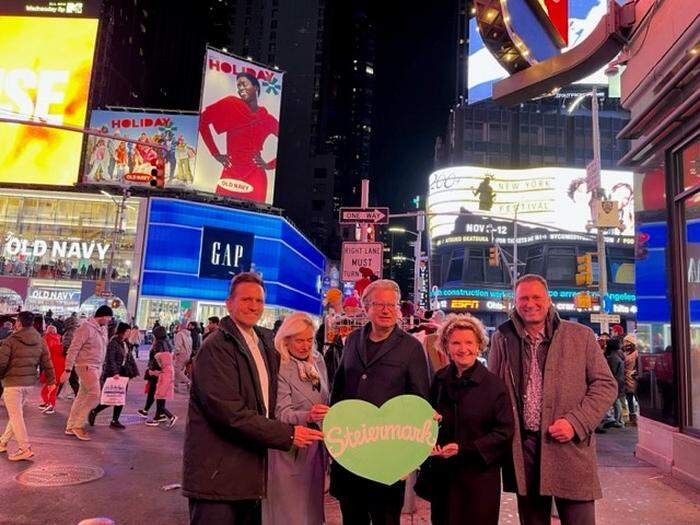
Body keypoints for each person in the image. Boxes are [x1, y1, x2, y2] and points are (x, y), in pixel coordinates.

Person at [182, 272, 323, 524]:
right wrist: (289, 434)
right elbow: (229, 414)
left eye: (258, 301)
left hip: (251, 471)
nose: (253, 306)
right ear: (229, 303)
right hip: (218, 475)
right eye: (246, 299)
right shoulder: (216, 347)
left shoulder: (263, 341)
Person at [488, 274, 617, 525]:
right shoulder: (502, 338)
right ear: (515, 302)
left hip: (570, 444)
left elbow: (605, 385)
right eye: (523, 298)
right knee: (532, 519)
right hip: (524, 449)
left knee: (579, 518)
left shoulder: (580, 336)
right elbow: (492, 391)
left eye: (536, 297)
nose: (530, 303)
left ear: (548, 300)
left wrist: (575, 423)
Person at [330, 279, 431, 525]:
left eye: (391, 305)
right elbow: (339, 388)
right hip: (351, 448)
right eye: (379, 304)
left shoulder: (411, 348)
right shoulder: (352, 340)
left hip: (389, 455)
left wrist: (409, 456)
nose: (386, 310)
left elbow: (419, 400)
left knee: (385, 518)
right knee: (352, 517)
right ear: (366, 308)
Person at [423, 314, 514, 525]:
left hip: (479, 479)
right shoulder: (440, 379)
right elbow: (429, 416)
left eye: (468, 343)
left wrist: (465, 449)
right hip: (444, 477)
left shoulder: (494, 386)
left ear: (479, 345)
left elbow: (504, 432)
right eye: (456, 343)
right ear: (446, 346)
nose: (463, 349)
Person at [262, 313, 330, 525]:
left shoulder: (317, 360)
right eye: (299, 340)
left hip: (316, 449)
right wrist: (307, 415)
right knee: (289, 514)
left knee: (312, 511)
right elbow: (280, 412)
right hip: (290, 449)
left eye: (310, 339)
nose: (305, 345)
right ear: (286, 339)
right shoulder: (280, 365)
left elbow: (325, 396)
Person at [198, 72, 279, 201]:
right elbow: (202, 122)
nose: (240, 88)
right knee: (219, 212)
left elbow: (287, 146)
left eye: (244, 84)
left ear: (256, 87)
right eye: (238, 85)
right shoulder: (230, 104)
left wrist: (270, 165)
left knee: (253, 218)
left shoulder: (267, 118)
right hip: (231, 171)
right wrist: (215, 153)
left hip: (255, 175)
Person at [0, 311, 56, 461]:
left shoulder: (10, 340)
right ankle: (3, 442)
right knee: (16, 414)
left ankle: (24, 448)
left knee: (16, 416)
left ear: (19, 322)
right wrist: (51, 381)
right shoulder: (40, 340)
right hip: (29, 384)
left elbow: (1, 363)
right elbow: (47, 362)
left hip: (12, 383)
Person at [61, 305, 113, 441]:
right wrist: (68, 369)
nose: (109, 321)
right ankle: (78, 425)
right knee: (95, 393)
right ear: (103, 316)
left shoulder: (103, 329)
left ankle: (70, 425)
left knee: (82, 396)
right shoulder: (85, 328)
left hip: (97, 366)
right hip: (85, 366)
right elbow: (73, 349)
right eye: (109, 318)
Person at [88, 322, 137, 430]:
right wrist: (115, 372)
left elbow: (129, 357)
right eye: (127, 331)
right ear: (122, 331)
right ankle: (95, 411)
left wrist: (134, 370)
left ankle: (115, 420)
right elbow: (110, 359)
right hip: (114, 373)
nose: (129, 333)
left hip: (124, 373)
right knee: (111, 398)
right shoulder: (114, 342)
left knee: (120, 398)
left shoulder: (126, 343)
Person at [138, 325, 171, 418]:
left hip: (156, 372)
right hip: (163, 371)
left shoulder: (158, 344)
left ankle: (159, 414)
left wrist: (153, 371)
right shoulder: (167, 343)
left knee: (154, 391)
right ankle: (152, 412)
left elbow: (158, 359)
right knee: (157, 392)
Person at [145, 342, 177, 428]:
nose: (159, 363)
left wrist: (159, 393)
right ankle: (157, 418)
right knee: (160, 406)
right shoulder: (168, 368)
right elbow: (161, 375)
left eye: (159, 361)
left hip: (162, 392)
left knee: (161, 407)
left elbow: (164, 382)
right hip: (162, 391)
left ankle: (171, 417)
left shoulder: (166, 370)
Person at [39, 325, 65, 415]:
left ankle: (50, 405)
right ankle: (48, 404)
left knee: (47, 391)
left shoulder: (46, 339)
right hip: (59, 372)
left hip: (52, 371)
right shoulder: (60, 345)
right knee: (51, 391)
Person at [603, 338, 626, 429]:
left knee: (614, 400)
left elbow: (612, 371)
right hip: (620, 380)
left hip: (614, 381)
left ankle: (615, 419)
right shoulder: (619, 355)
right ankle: (618, 420)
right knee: (616, 400)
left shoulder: (613, 357)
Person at [61, 314, 81, 397]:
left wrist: (63, 353)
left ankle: (79, 395)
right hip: (76, 358)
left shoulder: (69, 333)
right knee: (73, 378)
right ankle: (78, 395)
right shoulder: (78, 331)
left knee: (68, 378)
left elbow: (66, 346)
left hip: (69, 358)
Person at [622, 334, 639, 426]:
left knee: (636, 397)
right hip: (626, 378)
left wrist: (635, 372)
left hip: (633, 378)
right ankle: (632, 417)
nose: (625, 344)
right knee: (629, 398)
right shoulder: (625, 353)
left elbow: (639, 365)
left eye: (627, 342)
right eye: (625, 342)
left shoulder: (636, 353)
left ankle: (639, 417)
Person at [173, 323, 192, 393]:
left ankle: (189, 382)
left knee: (177, 370)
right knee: (179, 370)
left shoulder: (179, 334)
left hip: (181, 355)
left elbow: (178, 346)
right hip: (188, 355)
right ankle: (175, 386)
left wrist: (175, 354)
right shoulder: (189, 335)